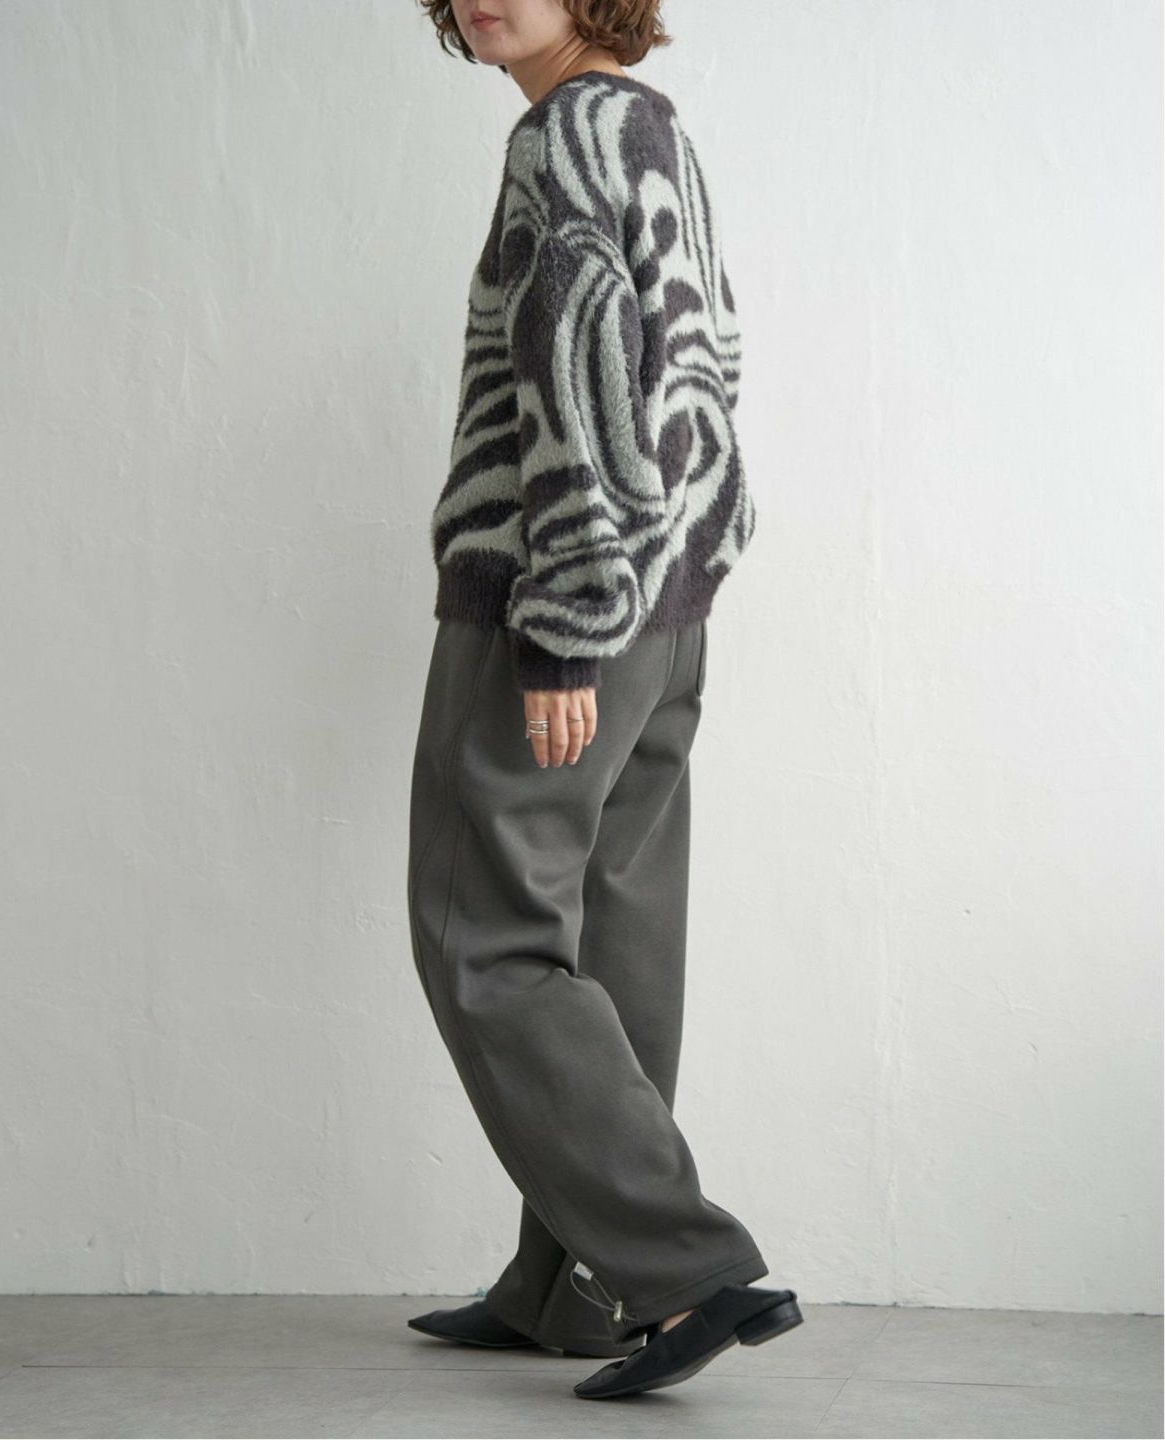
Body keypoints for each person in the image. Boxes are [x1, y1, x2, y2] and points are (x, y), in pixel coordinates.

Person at [405, 0, 803, 1400]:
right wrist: (657, 581)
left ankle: (683, 1268)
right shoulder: (648, 126)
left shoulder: (560, 136)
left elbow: (578, 365)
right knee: (617, 937)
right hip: (667, 600)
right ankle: (571, 1285)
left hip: (563, 596)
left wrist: (566, 623)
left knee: (486, 934)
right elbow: (696, 361)